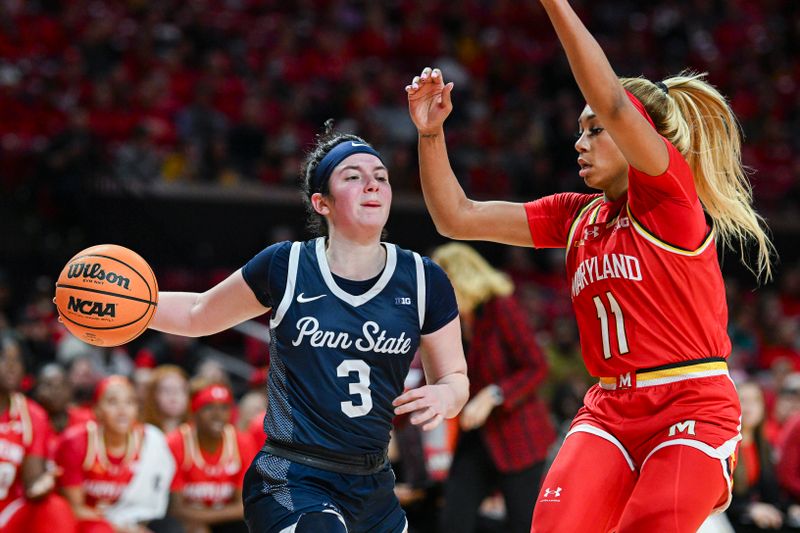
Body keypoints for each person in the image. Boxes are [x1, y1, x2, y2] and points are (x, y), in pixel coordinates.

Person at [405, 0, 775, 530]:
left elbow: (615, 103)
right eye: (580, 131)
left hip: (690, 403)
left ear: (634, 134)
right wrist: (430, 133)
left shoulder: (670, 198)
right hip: (609, 406)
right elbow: (455, 217)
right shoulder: (577, 216)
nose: (579, 143)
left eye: (594, 130)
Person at [147, 124, 469, 532]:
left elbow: (456, 378)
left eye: (381, 177)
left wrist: (445, 392)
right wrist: (132, 310)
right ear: (322, 203)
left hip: (372, 481)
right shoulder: (287, 265)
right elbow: (198, 312)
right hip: (293, 474)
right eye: (353, 176)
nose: (372, 184)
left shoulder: (424, 279)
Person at [431, 242, 555, 533]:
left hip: (518, 436)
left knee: (524, 524)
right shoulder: (451, 322)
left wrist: (493, 395)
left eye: (441, 281)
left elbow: (537, 366)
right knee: (453, 521)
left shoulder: (501, 308)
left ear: (460, 277)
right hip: (476, 436)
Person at [57, 375, 175, 533]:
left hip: (133, 519)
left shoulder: (151, 441)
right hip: (90, 523)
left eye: (129, 402)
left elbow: (152, 504)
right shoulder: (76, 442)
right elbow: (75, 509)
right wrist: (122, 529)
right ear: (97, 410)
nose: (122, 410)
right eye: (113, 402)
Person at [0, 334, 77, 533]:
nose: (11, 366)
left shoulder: (33, 414)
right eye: (3, 358)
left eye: (16, 359)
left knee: (55, 507)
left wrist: (41, 485)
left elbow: (32, 481)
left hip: (8, 513)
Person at [167, 380, 258, 533]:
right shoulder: (176, 442)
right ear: (193, 412)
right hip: (187, 523)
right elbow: (176, 509)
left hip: (222, 521)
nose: (218, 415)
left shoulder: (242, 442)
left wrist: (206, 519)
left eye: (224, 408)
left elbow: (243, 506)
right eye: (208, 407)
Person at [727, 381, 786, 531]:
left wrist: (790, 508)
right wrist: (749, 508)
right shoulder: (725, 448)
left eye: (755, 401)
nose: (750, 407)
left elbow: (771, 492)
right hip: (731, 518)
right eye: (744, 400)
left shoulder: (764, 445)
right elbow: (717, 500)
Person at [141, 365, 189, 435]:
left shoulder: (197, 432)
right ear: (153, 395)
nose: (174, 395)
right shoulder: (145, 432)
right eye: (166, 390)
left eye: (180, 389)